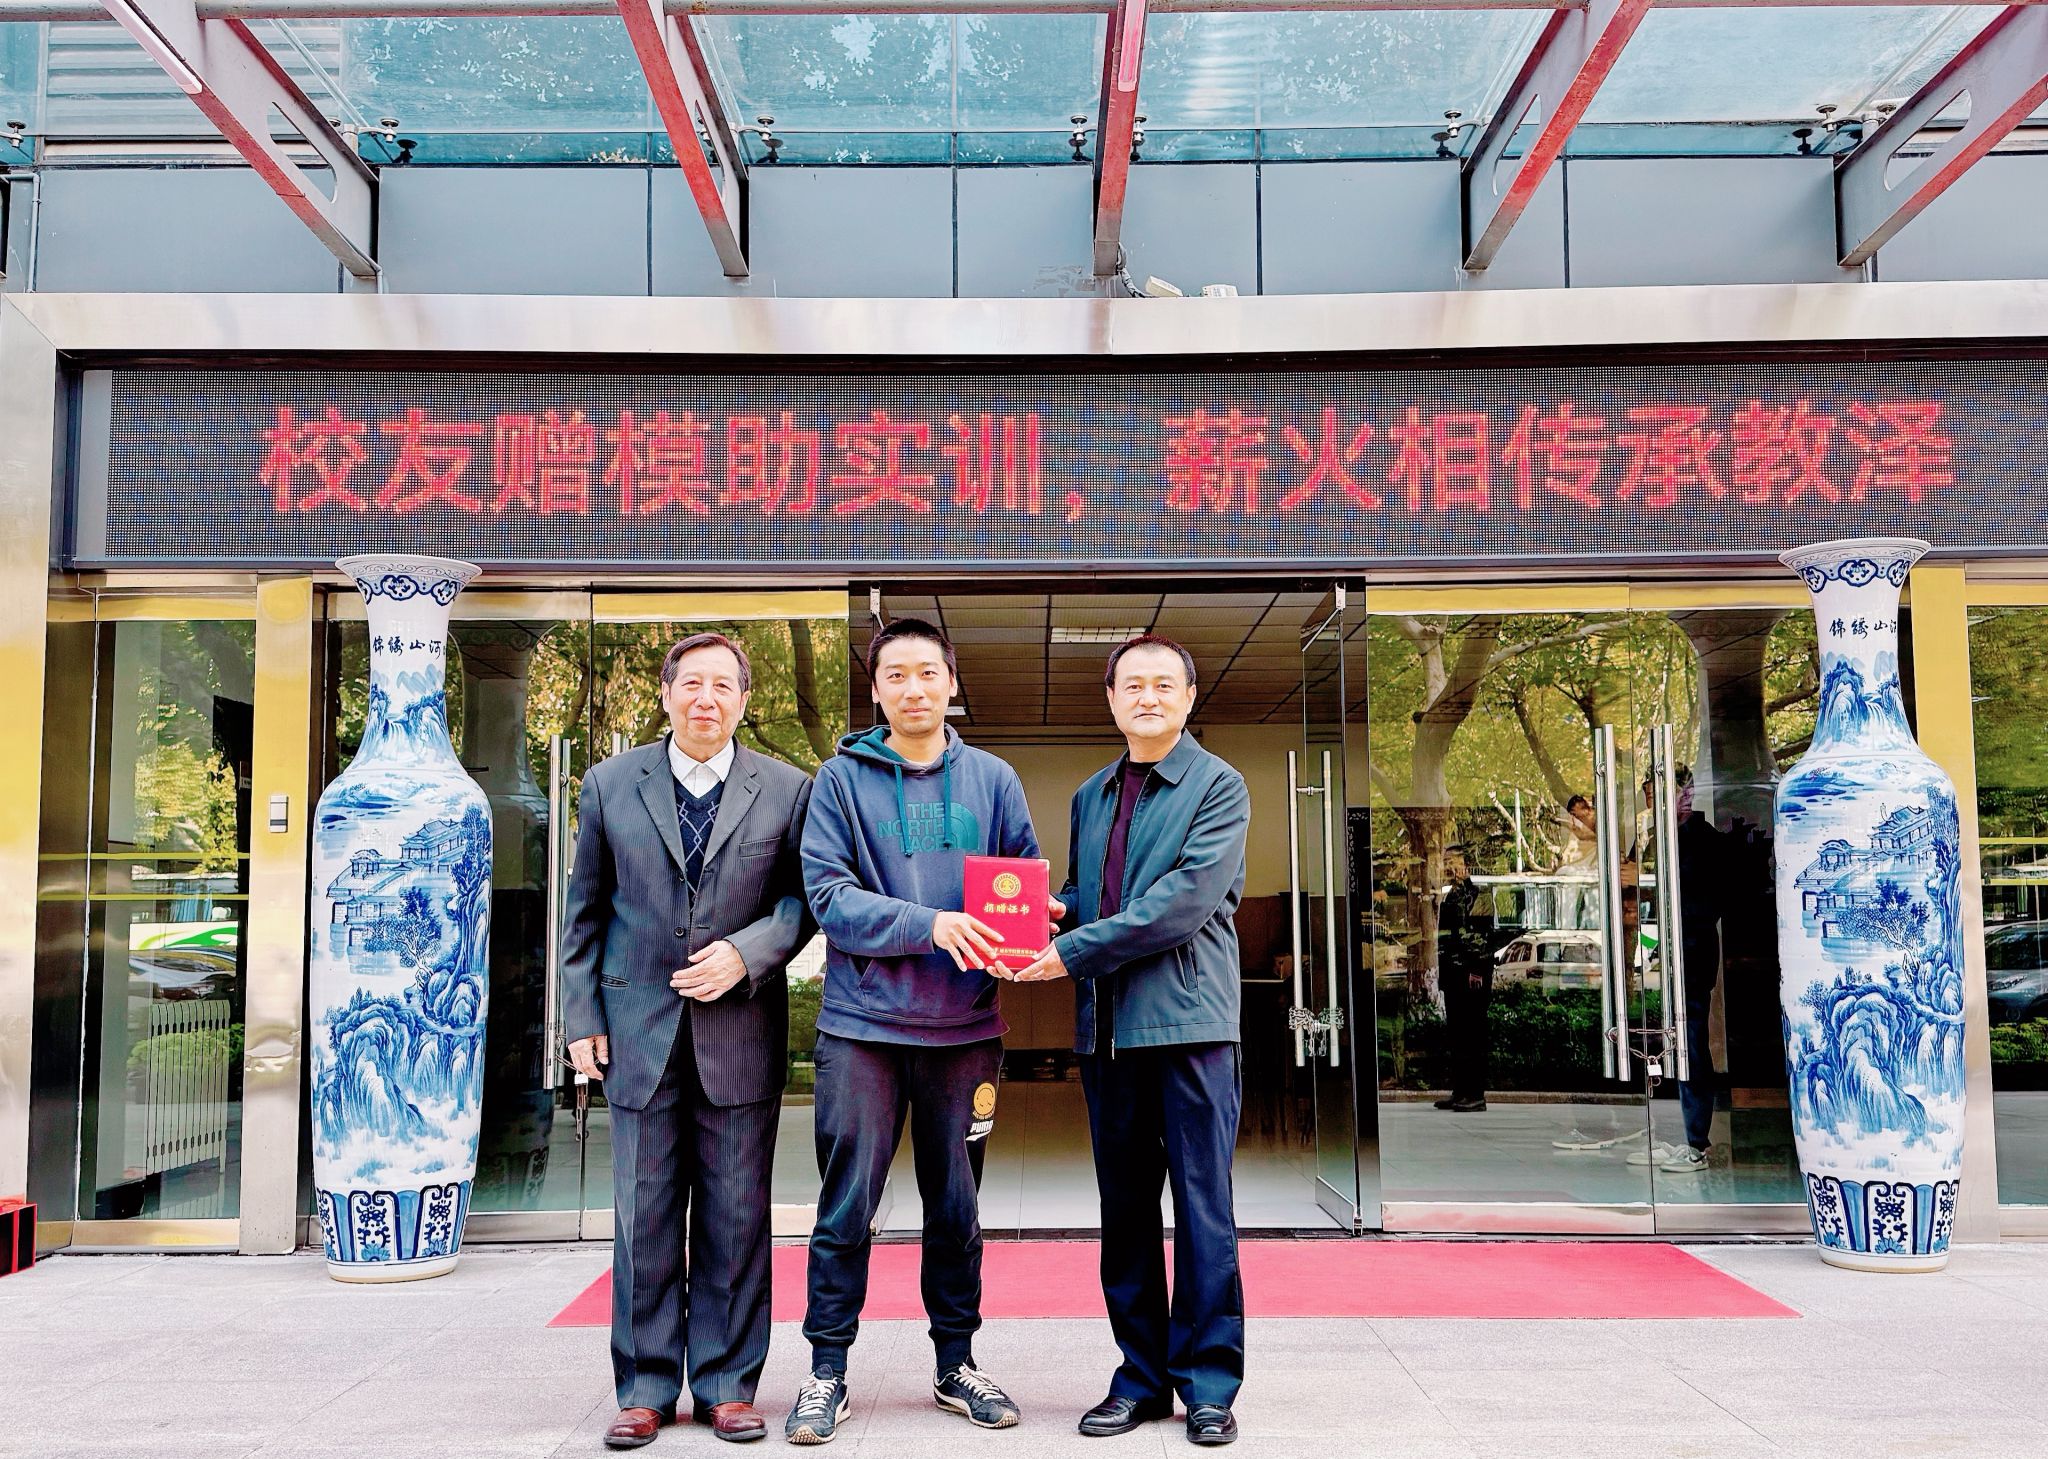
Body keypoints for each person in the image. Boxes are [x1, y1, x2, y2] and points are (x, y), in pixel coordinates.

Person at [787, 616, 1048, 1445]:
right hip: (861, 1029)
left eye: (927, 672)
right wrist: (930, 924)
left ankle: (955, 1362)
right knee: (846, 1204)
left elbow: (1020, 878)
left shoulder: (994, 779)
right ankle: (827, 1369)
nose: (913, 687)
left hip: (965, 1030)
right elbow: (830, 898)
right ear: (876, 689)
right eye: (895, 674)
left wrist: (1036, 917)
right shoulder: (839, 781)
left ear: (951, 682)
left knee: (957, 1206)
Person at [560, 632, 816, 1449]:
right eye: (692, 683)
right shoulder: (609, 784)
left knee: (737, 1219)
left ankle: (727, 1385)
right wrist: (580, 1017)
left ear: (744, 700)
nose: (707, 698)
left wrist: (748, 952)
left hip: (738, 1032)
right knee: (642, 1219)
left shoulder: (788, 789)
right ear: (667, 693)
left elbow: (800, 904)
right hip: (636, 1033)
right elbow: (584, 912)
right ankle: (643, 1386)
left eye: (723, 685)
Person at [1008, 632, 1251, 1449]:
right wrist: (1055, 910)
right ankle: (1141, 1378)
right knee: (1125, 1214)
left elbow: (1181, 902)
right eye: (1133, 685)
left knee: (1204, 1209)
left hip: (1190, 1027)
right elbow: (1095, 894)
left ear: (1189, 697)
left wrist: (1071, 950)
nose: (1148, 697)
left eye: (1163, 684)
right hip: (1108, 1032)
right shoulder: (1093, 794)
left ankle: (1208, 1386)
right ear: (1111, 699)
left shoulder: (1219, 786)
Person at [1433, 844, 1492, 1113]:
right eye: (1446, 862)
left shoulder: (1479, 895)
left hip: (1471, 976)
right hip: (1454, 976)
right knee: (1457, 1035)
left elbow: (1483, 938)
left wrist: (1477, 972)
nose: (1448, 867)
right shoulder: (1451, 895)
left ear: (1467, 865)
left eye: (1453, 861)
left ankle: (1475, 1094)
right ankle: (1460, 1091)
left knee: (1472, 1035)